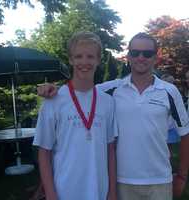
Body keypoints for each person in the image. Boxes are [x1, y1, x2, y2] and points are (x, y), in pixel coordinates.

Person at [37, 32, 189, 200]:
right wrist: (54, 89)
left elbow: (185, 134)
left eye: (147, 53)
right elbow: (80, 90)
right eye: (135, 52)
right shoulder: (112, 90)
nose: (141, 57)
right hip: (122, 180)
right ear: (128, 56)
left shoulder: (169, 91)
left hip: (159, 179)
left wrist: (182, 176)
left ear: (155, 57)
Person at [33, 31, 117, 200]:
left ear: (98, 60)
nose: (84, 62)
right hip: (65, 191)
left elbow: (110, 150)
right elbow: (44, 152)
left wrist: (112, 192)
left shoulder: (107, 102)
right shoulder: (53, 101)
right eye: (78, 56)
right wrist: (50, 194)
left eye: (90, 56)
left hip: (100, 190)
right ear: (70, 60)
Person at [160, 73, 180, 158]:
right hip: (164, 126)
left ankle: (169, 164)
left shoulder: (173, 94)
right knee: (164, 148)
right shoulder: (160, 94)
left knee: (167, 148)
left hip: (170, 126)